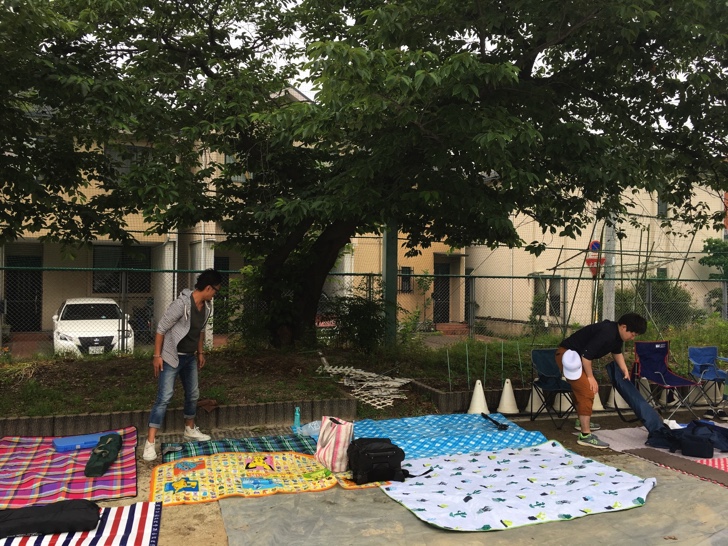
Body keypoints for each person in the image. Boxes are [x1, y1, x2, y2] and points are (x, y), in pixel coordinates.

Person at [142, 268, 223, 461]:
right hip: (171, 356)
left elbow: (200, 331)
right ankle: (150, 443)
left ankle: (189, 429)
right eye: (216, 291)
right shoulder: (181, 304)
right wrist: (157, 355)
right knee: (164, 397)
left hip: (189, 357)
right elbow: (161, 328)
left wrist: (200, 352)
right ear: (208, 288)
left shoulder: (207, 307)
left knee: (193, 394)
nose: (215, 295)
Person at [557, 312, 647, 449]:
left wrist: (624, 369)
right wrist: (590, 377)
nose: (632, 338)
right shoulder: (607, 333)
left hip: (578, 358)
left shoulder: (616, 334)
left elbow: (616, 352)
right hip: (569, 357)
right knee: (587, 390)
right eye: (633, 334)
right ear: (623, 327)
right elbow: (586, 357)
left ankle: (581, 421)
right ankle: (585, 435)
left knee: (582, 389)